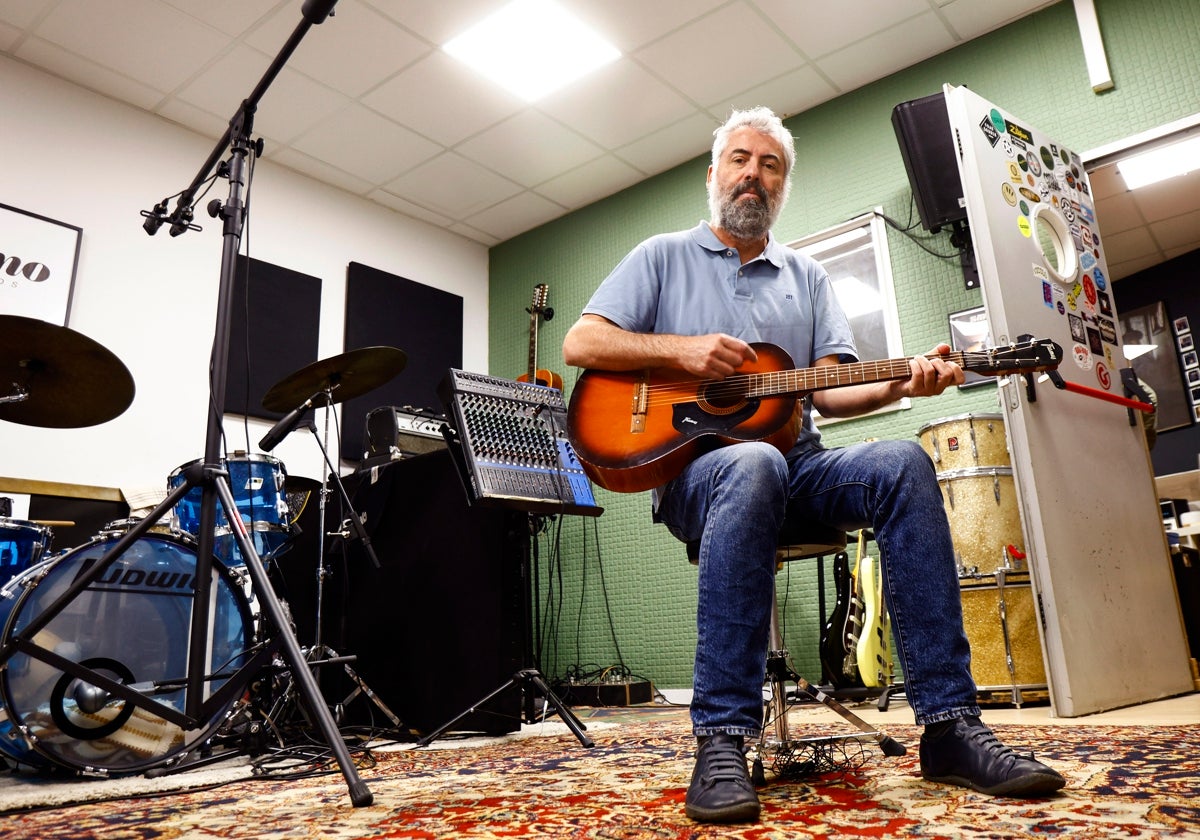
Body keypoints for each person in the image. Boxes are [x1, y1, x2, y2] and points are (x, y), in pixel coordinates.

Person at [561, 106, 1065, 824]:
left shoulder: (806, 276)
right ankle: (723, 739)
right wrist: (682, 352)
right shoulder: (661, 256)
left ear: (782, 187)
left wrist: (902, 380)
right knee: (751, 465)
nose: (752, 174)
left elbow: (836, 385)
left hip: (797, 466)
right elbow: (582, 343)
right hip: (701, 479)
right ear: (714, 175)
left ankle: (950, 727)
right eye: (740, 159)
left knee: (899, 460)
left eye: (770, 166)